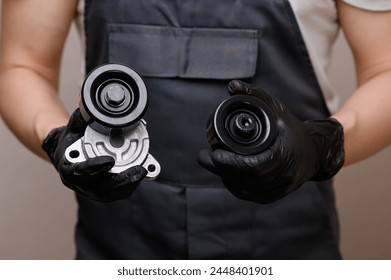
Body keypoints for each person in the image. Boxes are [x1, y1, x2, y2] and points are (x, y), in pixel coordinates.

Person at [0, 0, 390, 259]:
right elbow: (22, 65)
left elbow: (385, 70)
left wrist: (323, 147)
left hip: (289, 237)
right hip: (123, 240)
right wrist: (57, 140)